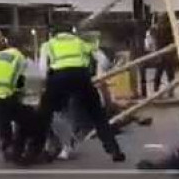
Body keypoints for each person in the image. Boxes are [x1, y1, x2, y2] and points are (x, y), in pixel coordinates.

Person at [27, 24, 125, 164]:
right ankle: (114, 150)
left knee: (44, 115)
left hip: (58, 78)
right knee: (98, 115)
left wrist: (47, 87)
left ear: (53, 34)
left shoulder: (48, 45)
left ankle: (34, 151)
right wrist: (98, 74)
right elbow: (104, 60)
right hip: (81, 76)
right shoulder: (81, 43)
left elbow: (42, 70)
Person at [0, 28, 37, 163]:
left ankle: (7, 148)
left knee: (3, 121)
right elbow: (21, 82)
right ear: (23, 45)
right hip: (3, 97)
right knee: (26, 120)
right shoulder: (19, 58)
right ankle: (15, 150)